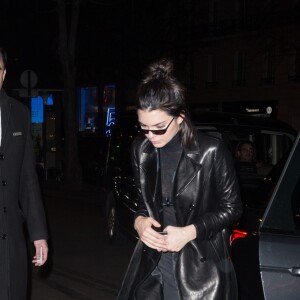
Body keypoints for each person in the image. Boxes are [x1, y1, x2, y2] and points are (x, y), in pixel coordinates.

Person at [117, 59, 242, 300]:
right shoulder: (141, 150)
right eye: (144, 127)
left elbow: (233, 208)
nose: (151, 135)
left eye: (159, 127)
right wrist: (139, 221)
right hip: (153, 263)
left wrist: (189, 232)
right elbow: (145, 201)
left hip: (197, 266)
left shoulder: (210, 152)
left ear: (180, 118)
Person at [0, 46, 48, 299]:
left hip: (11, 240)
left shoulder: (19, 113)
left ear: (4, 73)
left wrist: (38, 234)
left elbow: (28, 178)